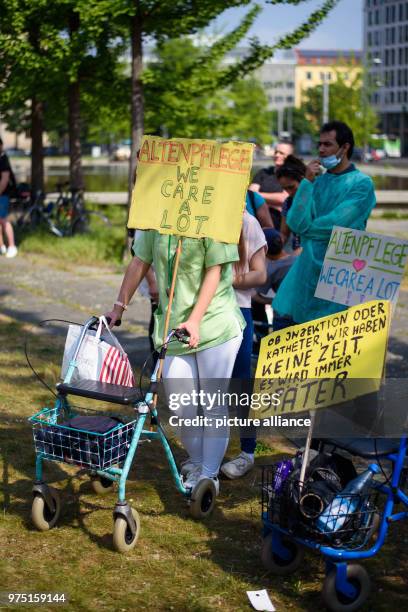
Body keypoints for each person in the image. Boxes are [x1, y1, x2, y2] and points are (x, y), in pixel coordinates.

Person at [105, 231, 245, 495]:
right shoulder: (158, 214)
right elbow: (139, 261)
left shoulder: (212, 214)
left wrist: (195, 319)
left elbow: (215, 270)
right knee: (183, 406)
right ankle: (198, 461)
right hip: (173, 329)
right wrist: (118, 307)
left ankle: (209, 475)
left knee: (213, 404)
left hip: (215, 324)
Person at [273, 120, 376, 327]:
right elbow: (294, 222)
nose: (321, 149)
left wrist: (308, 229)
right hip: (306, 272)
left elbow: (336, 224)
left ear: (345, 147)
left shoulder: (362, 184)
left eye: (328, 144)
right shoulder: (316, 182)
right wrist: (307, 183)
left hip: (339, 273)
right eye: (319, 144)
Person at [221, 211, 267, 479]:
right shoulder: (202, 214)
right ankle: (206, 455)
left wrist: (225, 280)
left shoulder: (247, 222)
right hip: (202, 314)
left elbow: (260, 275)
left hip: (237, 311)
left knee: (240, 385)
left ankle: (247, 452)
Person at [253, 229, 297, 331]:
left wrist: (272, 301)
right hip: (302, 314)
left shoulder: (270, 270)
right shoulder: (297, 260)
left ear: (264, 250)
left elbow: (255, 296)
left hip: (283, 317)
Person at [249, 141, 294, 229]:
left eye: (281, 153)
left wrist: (258, 200)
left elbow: (284, 198)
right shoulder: (263, 173)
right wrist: (274, 204)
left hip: (281, 227)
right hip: (257, 226)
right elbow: (250, 195)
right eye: (276, 152)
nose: (277, 155)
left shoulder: (292, 176)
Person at [275, 155, 307, 254]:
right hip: (296, 255)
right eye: (285, 189)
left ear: (302, 180)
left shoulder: (317, 199)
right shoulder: (288, 203)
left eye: (291, 187)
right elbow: (284, 233)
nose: (289, 192)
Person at [0, 139, 18, 258]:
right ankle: (2, 247)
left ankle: (12, 246)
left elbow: (5, 179)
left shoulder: (3, 159)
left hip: (2, 195)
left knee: (3, 220)